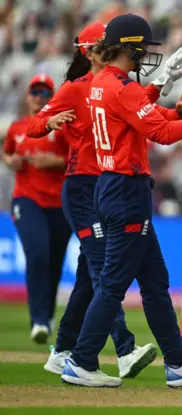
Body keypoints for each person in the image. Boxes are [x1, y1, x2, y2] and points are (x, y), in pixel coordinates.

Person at [60, 13, 182, 388]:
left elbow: (140, 114)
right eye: (143, 47)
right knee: (112, 284)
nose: (147, 53)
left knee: (156, 283)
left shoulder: (102, 83)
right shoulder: (118, 86)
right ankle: (81, 360)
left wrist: (169, 94)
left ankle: (178, 362)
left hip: (116, 186)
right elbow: (159, 132)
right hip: (125, 190)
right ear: (130, 47)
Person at [27, 23, 182, 379]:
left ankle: (64, 351)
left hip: (106, 183)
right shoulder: (79, 88)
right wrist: (51, 121)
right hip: (92, 188)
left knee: (98, 276)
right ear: (92, 50)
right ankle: (116, 351)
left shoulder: (112, 85)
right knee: (106, 272)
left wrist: (169, 100)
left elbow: (137, 114)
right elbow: (34, 126)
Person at [2, 74, 71, 344]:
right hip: (27, 199)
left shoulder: (63, 128)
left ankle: (45, 315)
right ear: (28, 96)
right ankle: (39, 319)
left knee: (54, 262)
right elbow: (7, 153)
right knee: (38, 253)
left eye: (45, 92)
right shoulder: (17, 127)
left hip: (59, 202)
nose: (39, 97)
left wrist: (54, 161)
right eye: (35, 92)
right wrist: (12, 162)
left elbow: (78, 158)